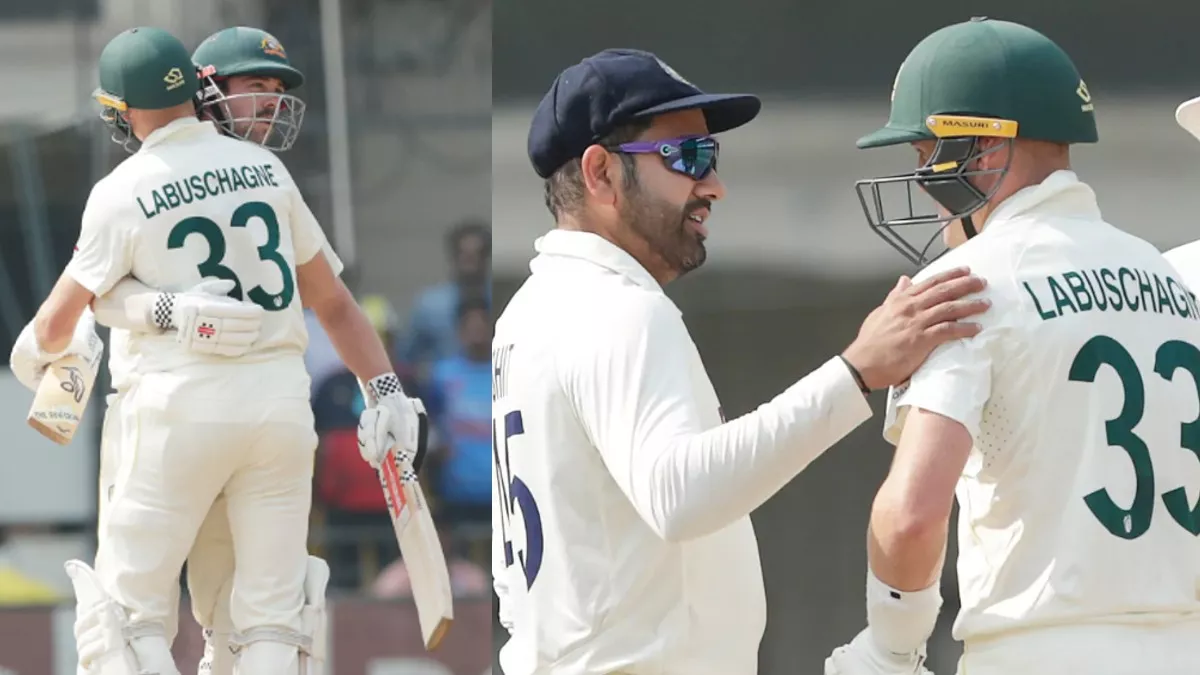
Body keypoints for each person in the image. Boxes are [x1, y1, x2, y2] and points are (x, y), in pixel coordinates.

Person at [490, 47, 989, 675]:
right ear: (601, 173)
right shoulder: (616, 308)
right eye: (687, 157)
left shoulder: (529, 312)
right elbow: (678, 495)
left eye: (712, 156)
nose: (713, 186)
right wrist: (856, 371)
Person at [7, 27, 426, 675]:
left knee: (127, 622)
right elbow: (336, 304)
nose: (270, 101)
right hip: (279, 415)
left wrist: (33, 354)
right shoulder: (268, 172)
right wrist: (387, 390)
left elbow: (60, 321)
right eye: (257, 85)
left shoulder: (122, 188)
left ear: (122, 110)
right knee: (266, 625)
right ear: (199, 90)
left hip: (174, 413)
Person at [824, 17, 1200, 675]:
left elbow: (911, 516)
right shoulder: (1173, 280)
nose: (922, 183)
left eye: (927, 155)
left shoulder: (966, 284)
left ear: (989, 150)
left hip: (1039, 650)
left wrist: (890, 649)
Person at [399, 219, 491, 381]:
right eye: (465, 255)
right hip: (442, 389)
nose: (471, 263)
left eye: (478, 254)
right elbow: (407, 359)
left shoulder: (500, 302)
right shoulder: (429, 306)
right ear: (454, 257)